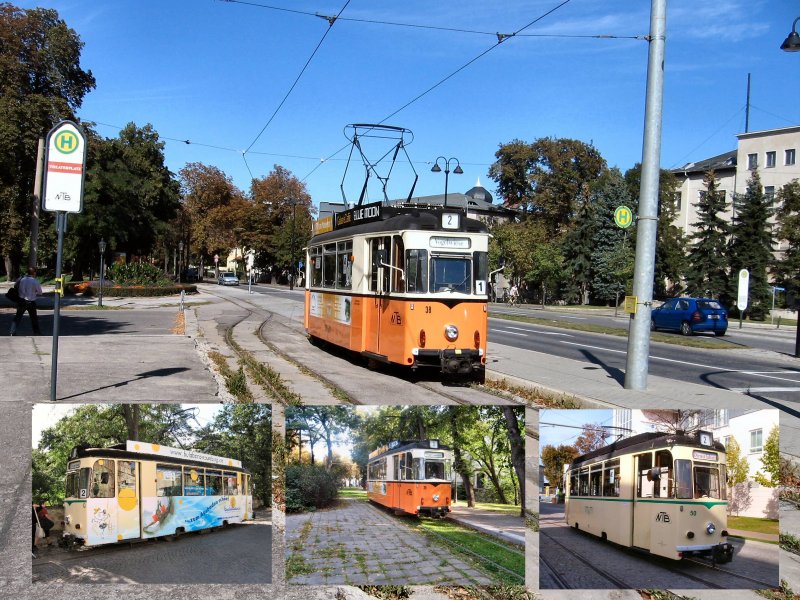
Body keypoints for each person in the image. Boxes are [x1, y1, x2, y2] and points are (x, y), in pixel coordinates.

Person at [10, 267, 42, 336]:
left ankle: (12, 331)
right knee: (34, 318)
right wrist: (34, 292)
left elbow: (20, 289)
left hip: (22, 301)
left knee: (18, 317)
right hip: (31, 302)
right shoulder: (35, 281)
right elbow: (40, 292)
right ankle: (36, 332)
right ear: (34, 273)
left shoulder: (22, 279)